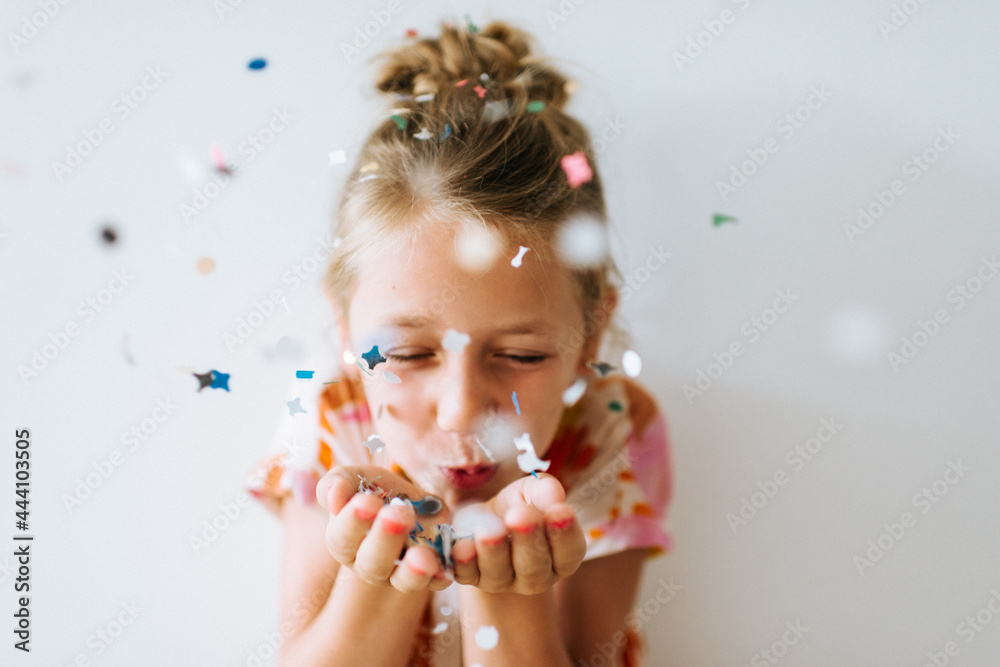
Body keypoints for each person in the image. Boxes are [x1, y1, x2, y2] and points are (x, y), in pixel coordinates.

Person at [247, 19, 674, 666]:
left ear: (589, 338)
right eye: (408, 355)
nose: (460, 410)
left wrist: (510, 590)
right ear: (344, 331)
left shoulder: (612, 429)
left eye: (522, 355)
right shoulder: (332, 414)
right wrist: (381, 569)